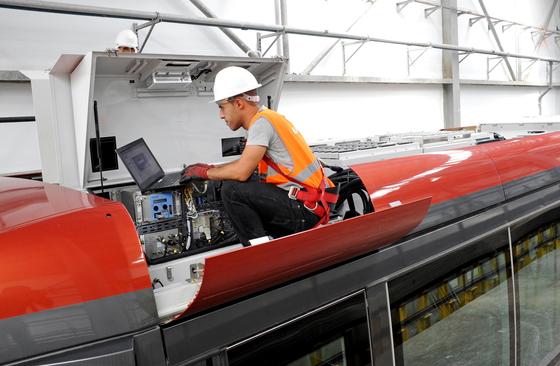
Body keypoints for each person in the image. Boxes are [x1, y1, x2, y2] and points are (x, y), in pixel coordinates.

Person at [180, 66, 338, 246]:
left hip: (306, 210)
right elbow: (246, 163)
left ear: (239, 103)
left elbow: (241, 172)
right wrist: (212, 169)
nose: (221, 115)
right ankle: (262, 242)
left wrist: (204, 173)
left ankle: (258, 251)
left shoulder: (261, 124)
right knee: (235, 182)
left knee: (231, 190)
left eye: (222, 107)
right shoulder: (268, 118)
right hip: (313, 202)